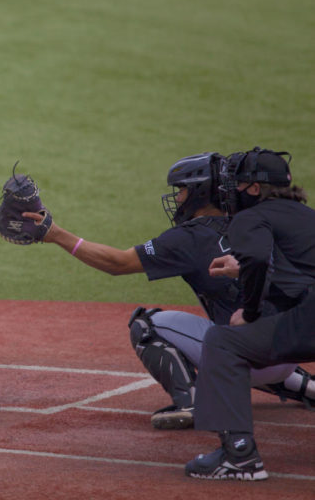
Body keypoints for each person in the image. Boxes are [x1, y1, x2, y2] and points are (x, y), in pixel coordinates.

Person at [23, 153, 313, 430]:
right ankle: (305, 384)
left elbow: (117, 263)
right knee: (259, 324)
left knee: (146, 325)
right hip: (291, 347)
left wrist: (55, 234)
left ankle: (192, 402)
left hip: (246, 355)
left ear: (199, 192)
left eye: (182, 190)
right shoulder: (258, 223)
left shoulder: (189, 237)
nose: (178, 198)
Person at [185, 148, 315, 481]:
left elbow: (257, 258)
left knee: (223, 341)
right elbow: (294, 272)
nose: (230, 191)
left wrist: (252, 311)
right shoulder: (307, 216)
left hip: (309, 321)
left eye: (236, 183)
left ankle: (238, 455)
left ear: (254, 189)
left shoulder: (251, 217)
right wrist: (243, 268)